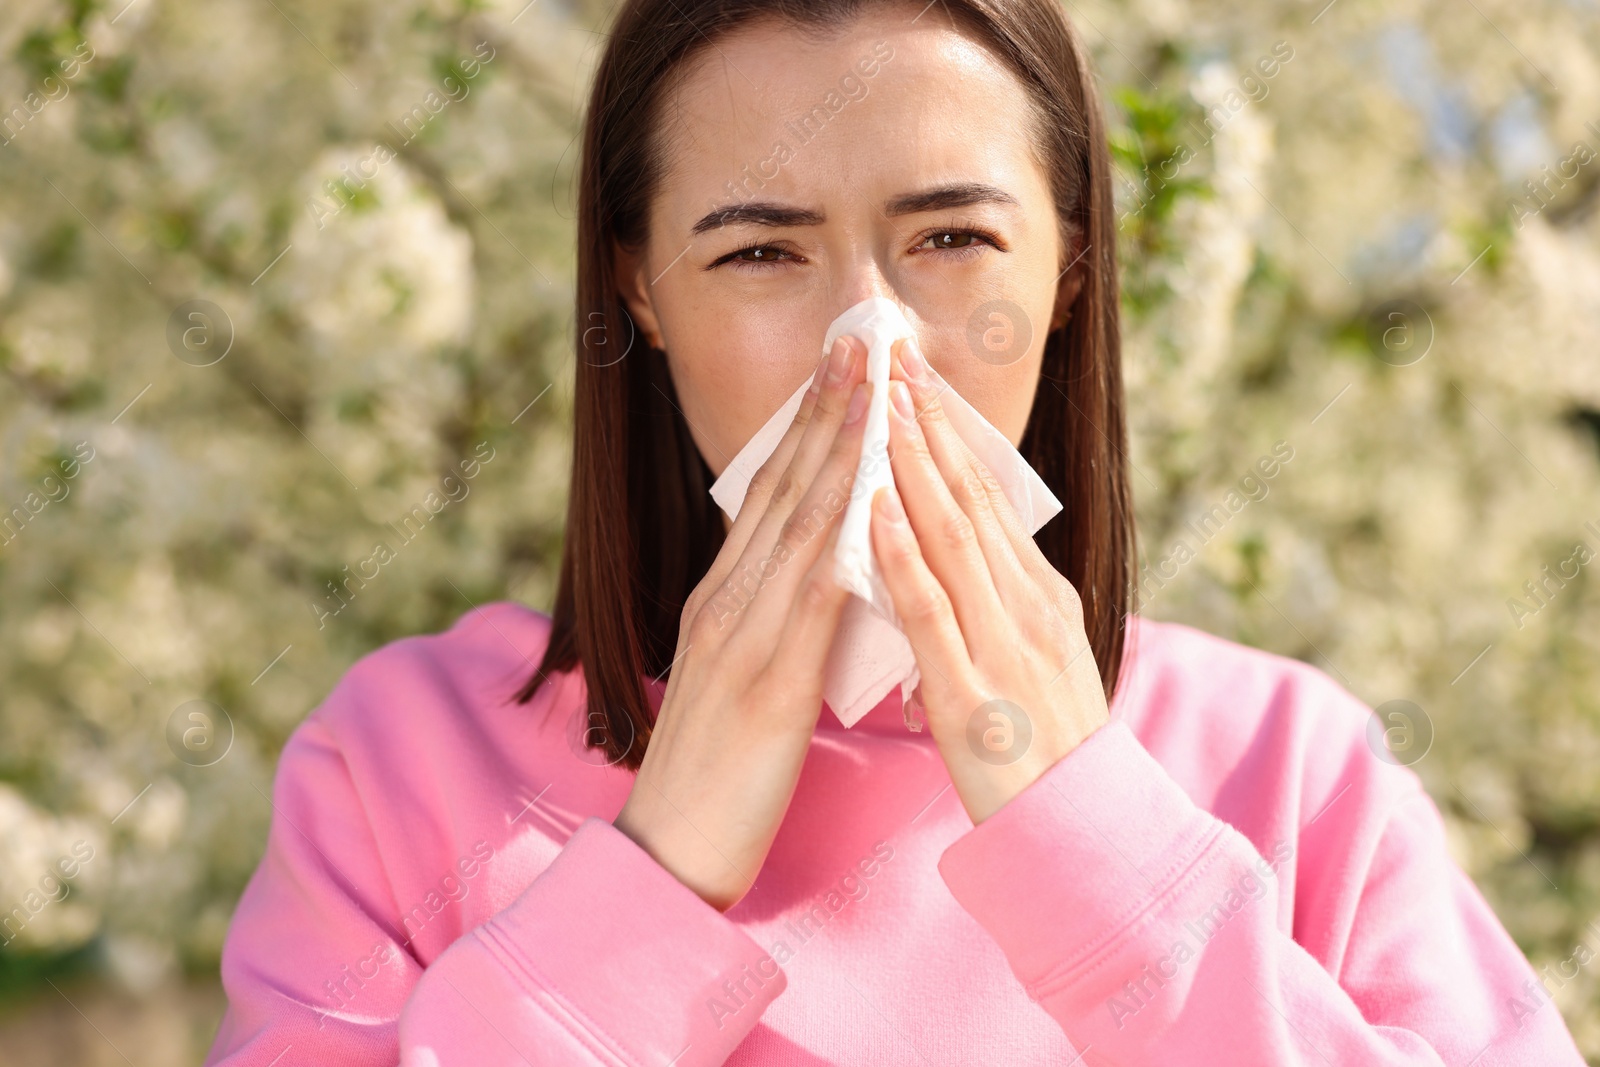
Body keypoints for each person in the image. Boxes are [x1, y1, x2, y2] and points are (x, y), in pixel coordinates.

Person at [204, 0, 1587, 1063]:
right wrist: (655, 873)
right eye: (758, 253)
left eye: (950, 242)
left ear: (1068, 266)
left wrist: (1099, 848)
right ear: (638, 289)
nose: (870, 347)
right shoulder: (399, 765)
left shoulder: (1294, 772)